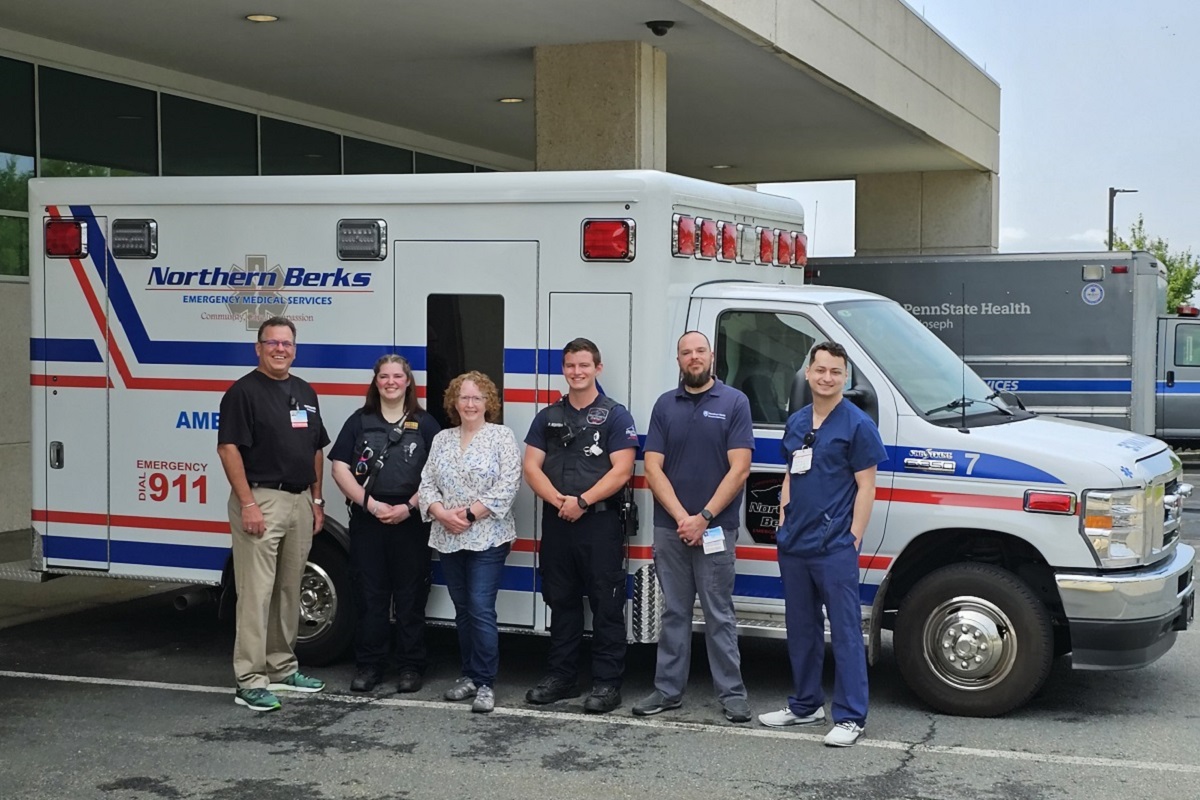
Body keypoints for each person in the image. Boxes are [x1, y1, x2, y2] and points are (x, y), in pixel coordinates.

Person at [758, 340, 886, 748]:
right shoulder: (797, 423)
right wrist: (782, 518)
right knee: (801, 628)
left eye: (835, 371)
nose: (827, 377)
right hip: (795, 543)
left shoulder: (857, 425)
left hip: (834, 547)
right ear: (808, 374)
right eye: (820, 370)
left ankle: (850, 717)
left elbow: (867, 487)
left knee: (845, 631)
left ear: (845, 377)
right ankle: (805, 705)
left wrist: (852, 538)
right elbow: (791, 475)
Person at [633, 331, 754, 724]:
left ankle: (732, 695)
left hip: (716, 529)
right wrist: (683, 518)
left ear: (712, 356)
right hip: (672, 529)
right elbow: (652, 467)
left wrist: (703, 517)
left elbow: (740, 469)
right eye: (686, 352)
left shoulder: (735, 402)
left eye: (700, 351)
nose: (694, 358)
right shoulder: (665, 405)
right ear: (679, 360)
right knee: (674, 613)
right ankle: (668, 691)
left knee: (719, 612)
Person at [217, 316, 329, 712]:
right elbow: (228, 449)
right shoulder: (242, 393)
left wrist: (317, 500)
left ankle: (281, 668)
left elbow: (317, 448)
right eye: (272, 343)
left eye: (287, 343)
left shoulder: (304, 391)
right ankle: (248, 679)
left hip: (299, 501)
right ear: (258, 348)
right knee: (255, 593)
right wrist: (248, 503)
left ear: (295, 349)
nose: (280, 349)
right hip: (261, 498)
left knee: (287, 589)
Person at [522, 338, 638, 714]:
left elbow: (623, 469)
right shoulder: (547, 417)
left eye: (584, 365)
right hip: (558, 522)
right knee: (561, 601)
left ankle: (606, 683)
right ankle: (562, 677)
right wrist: (560, 502)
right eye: (571, 365)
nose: (577, 372)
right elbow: (531, 467)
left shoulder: (616, 416)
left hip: (600, 522)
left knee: (606, 602)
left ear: (597, 368)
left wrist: (583, 501)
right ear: (564, 369)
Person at [329, 355, 441, 695]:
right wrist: (371, 504)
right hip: (369, 522)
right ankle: (370, 665)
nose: (391, 382)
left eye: (397, 376)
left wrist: (409, 507)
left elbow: (438, 473)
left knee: (411, 599)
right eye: (384, 377)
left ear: (408, 382)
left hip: (411, 523)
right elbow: (339, 467)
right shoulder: (359, 421)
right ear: (375, 382)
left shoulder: (425, 423)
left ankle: (410, 666)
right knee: (370, 598)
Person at [418, 371, 522, 714]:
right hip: (448, 536)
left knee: (480, 607)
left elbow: (508, 484)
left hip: (488, 536)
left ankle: (486, 683)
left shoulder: (501, 437)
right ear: (454, 402)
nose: (470, 403)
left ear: (488, 402)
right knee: (462, 609)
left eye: (477, 397)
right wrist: (441, 513)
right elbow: (427, 482)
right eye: (464, 397)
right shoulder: (442, 439)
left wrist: (470, 515)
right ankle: (469, 675)